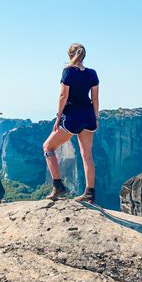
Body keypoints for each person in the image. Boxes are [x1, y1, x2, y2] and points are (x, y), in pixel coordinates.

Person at [42, 43, 99, 203]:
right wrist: (95, 117)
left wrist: (58, 116)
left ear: (70, 55)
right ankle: (90, 193)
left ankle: (58, 186)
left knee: (48, 147)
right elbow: (95, 98)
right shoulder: (92, 73)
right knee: (87, 155)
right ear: (84, 56)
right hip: (88, 115)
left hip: (72, 117)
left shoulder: (68, 72)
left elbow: (63, 96)